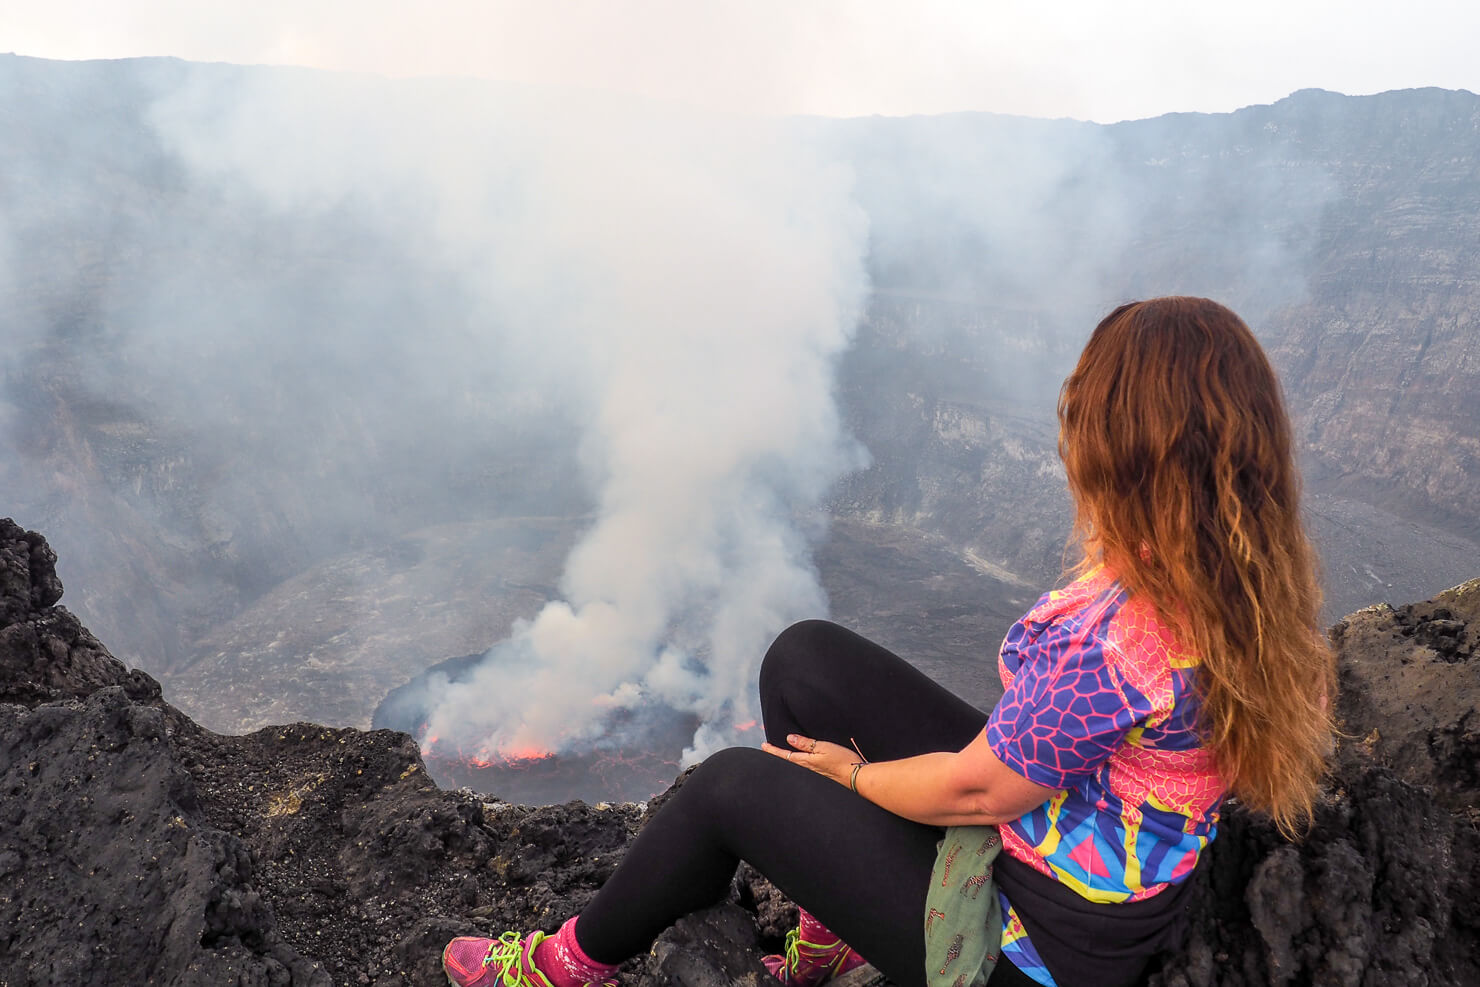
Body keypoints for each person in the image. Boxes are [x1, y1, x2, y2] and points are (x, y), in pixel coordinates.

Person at [442, 297, 1337, 987]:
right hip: (1084, 874)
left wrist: (851, 780)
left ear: (1125, 454)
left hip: (1026, 949)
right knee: (804, 658)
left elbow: (976, 786)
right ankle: (837, 924)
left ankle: (563, 964)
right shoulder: (1236, 577)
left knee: (728, 787)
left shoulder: (1116, 641)